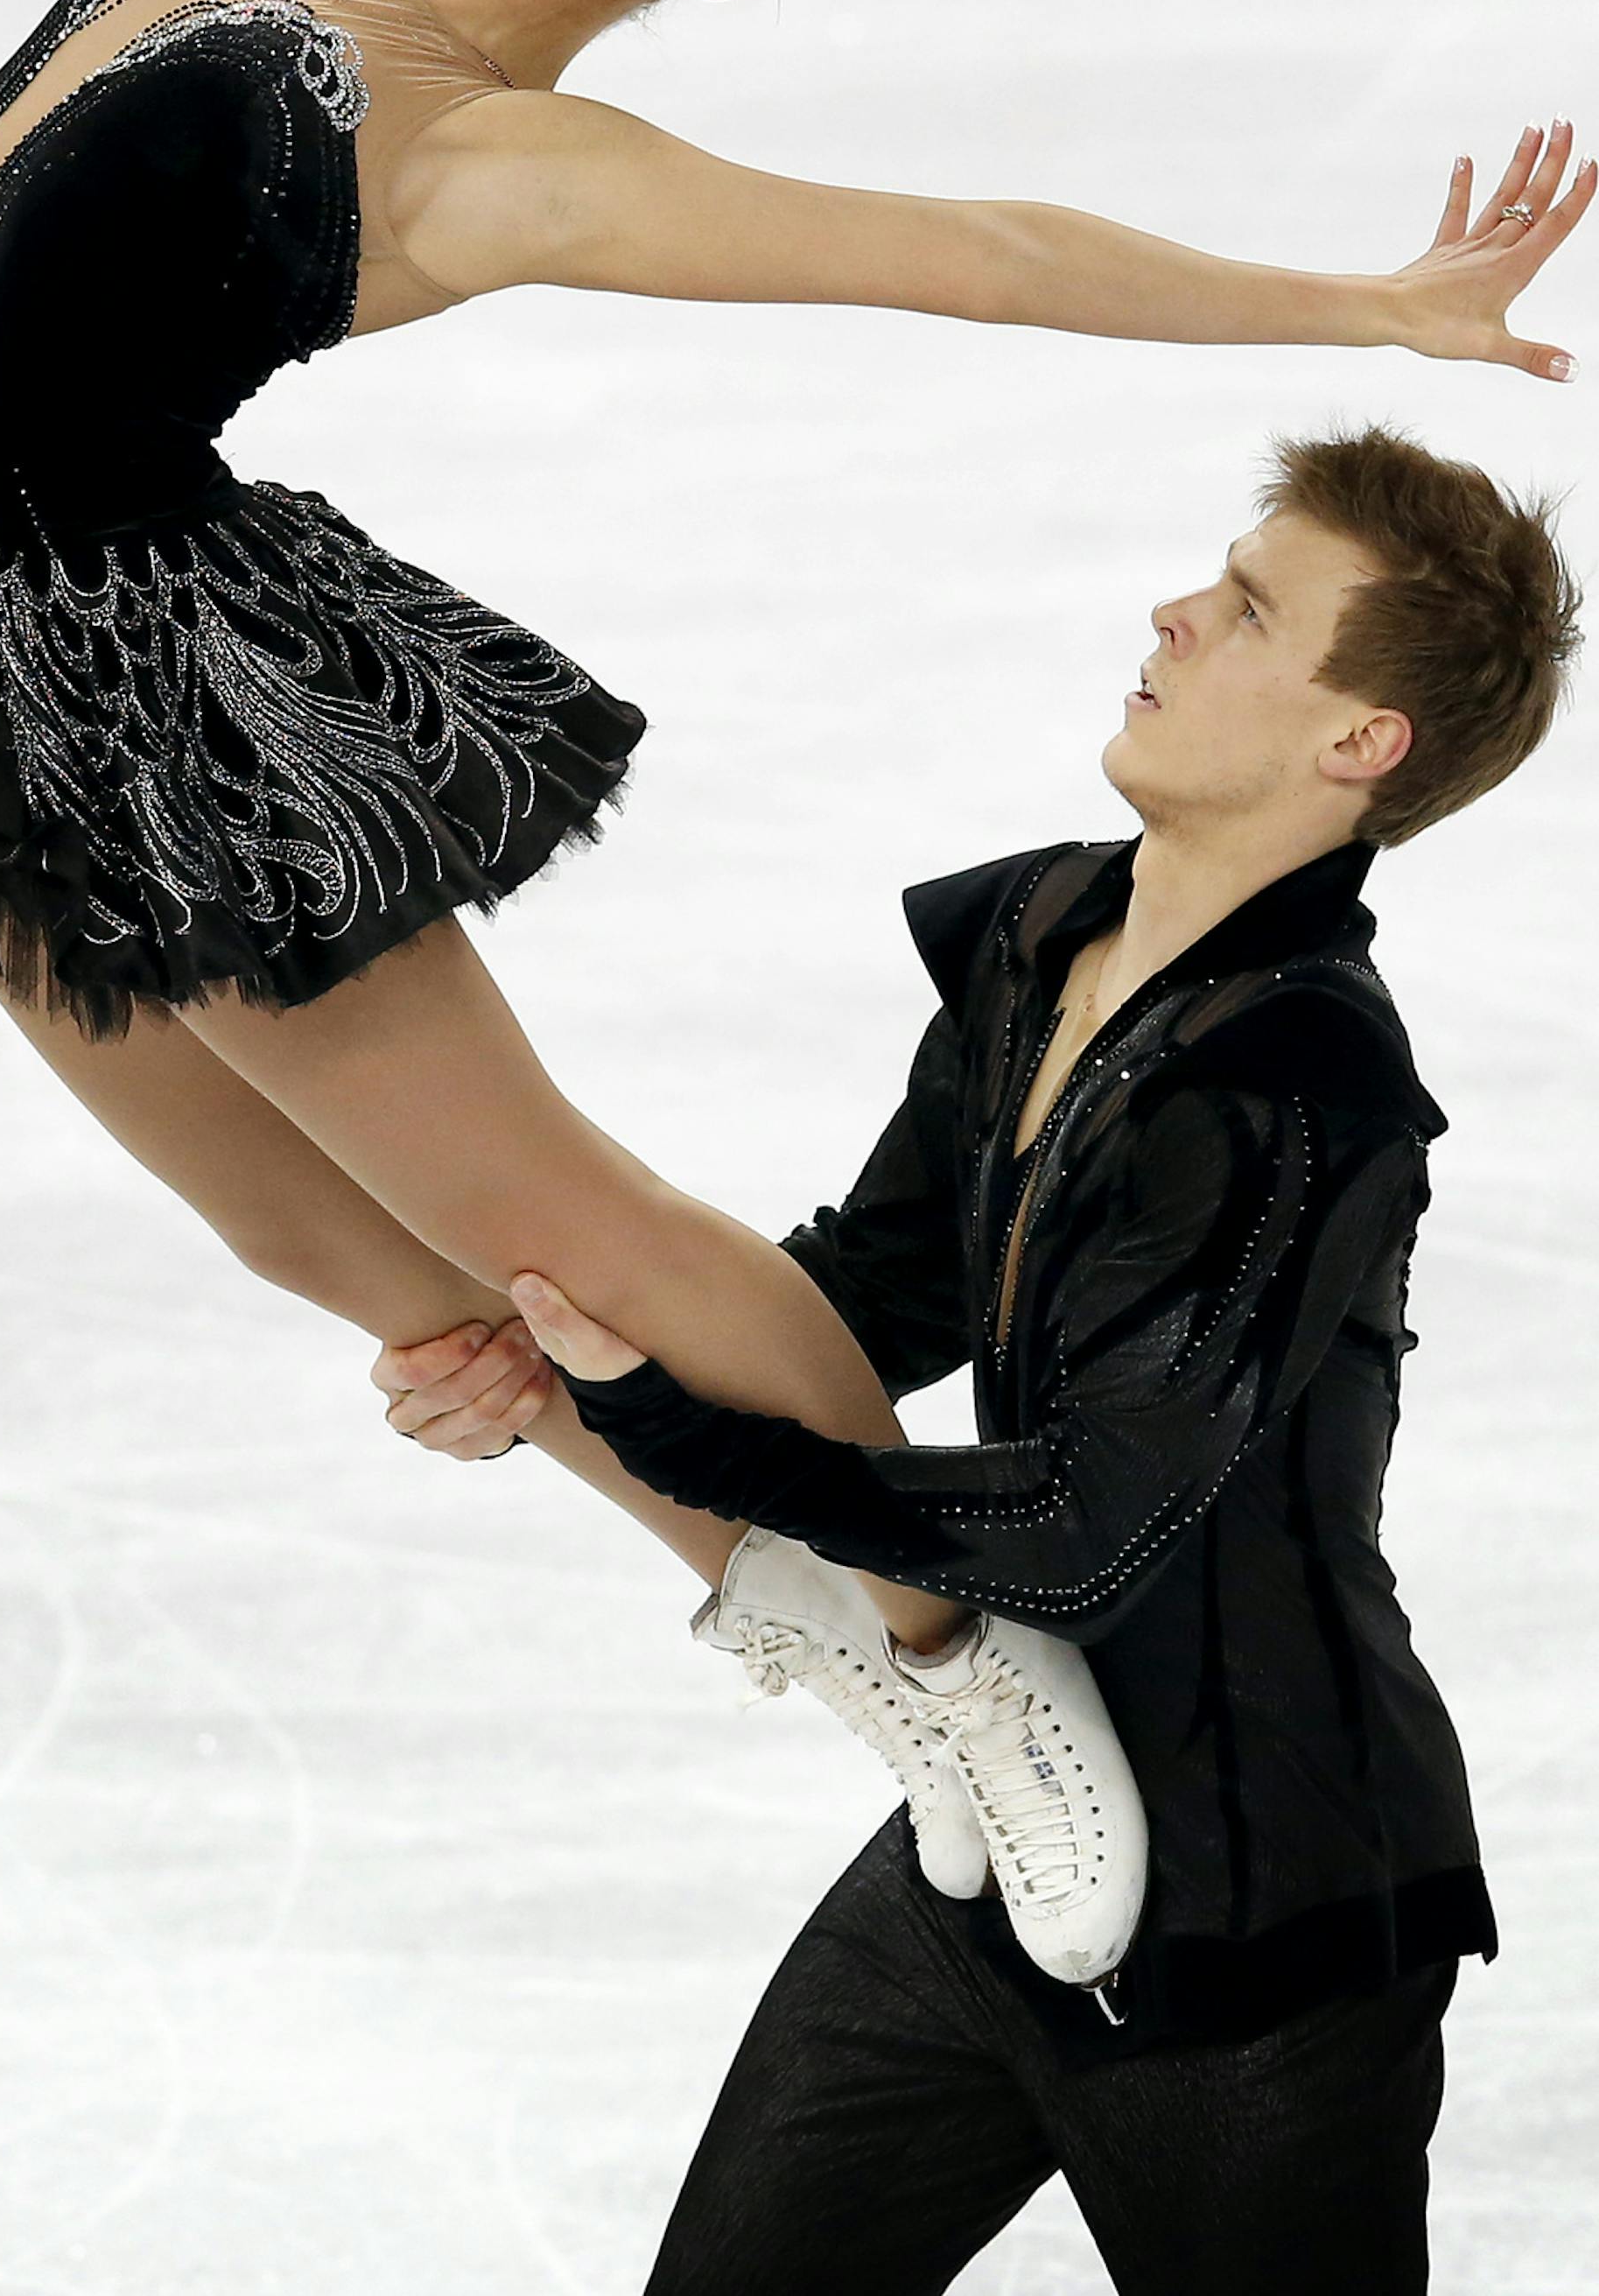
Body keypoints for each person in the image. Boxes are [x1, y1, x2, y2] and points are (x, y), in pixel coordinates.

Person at [0, 0, 1587, 1716]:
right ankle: (781, 1596)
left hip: (139, 684)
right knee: (305, 1230)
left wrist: (1366, 306)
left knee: (556, 1218)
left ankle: (955, 1667)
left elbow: (979, 259)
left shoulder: (496, 157)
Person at [450, 424, 1578, 2291]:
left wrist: (676, 1435)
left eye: (1247, 609)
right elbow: (877, 1290)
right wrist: (563, 1373)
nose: (1174, 610)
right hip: (988, 1837)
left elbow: (1082, 1526)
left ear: (1355, 739)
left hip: (1259, 1936)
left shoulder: (1304, 1090)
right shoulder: (1050, 932)